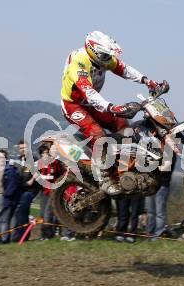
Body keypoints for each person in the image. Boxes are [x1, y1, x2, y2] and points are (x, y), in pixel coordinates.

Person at [60, 30, 162, 195]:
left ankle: (123, 167)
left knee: (123, 126)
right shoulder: (79, 63)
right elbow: (90, 93)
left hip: (92, 104)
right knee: (98, 135)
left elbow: (124, 69)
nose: (108, 60)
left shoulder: (101, 58)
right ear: (95, 51)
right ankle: (105, 178)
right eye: (105, 56)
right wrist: (113, 107)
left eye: (108, 56)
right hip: (74, 105)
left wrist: (147, 81)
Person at [0, 149, 21, 244]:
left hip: (2, 197)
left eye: (2, 157)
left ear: (6, 158)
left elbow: (12, 185)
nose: (0, 159)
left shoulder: (9, 170)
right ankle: (1, 239)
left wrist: (6, 195)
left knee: (0, 220)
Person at [12, 140, 41, 242]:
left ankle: (21, 236)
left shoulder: (33, 159)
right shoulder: (19, 160)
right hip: (21, 190)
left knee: (22, 211)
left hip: (31, 189)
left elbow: (38, 172)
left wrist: (32, 180)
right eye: (20, 148)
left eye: (24, 148)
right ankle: (21, 235)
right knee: (19, 212)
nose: (22, 150)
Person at [145, 156, 176, 241]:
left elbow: (165, 168)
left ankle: (157, 235)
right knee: (150, 212)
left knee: (160, 213)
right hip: (151, 185)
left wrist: (152, 164)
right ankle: (149, 234)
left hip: (162, 186)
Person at [37, 142, 63, 240]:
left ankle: (46, 235)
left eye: (47, 152)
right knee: (43, 214)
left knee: (48, 213)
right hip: (44, 192)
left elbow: (54, 176)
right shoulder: (40, 163)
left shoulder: (55, 163)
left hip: (52, 192)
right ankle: (47, 234)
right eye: (43, 153)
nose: (45, 155)